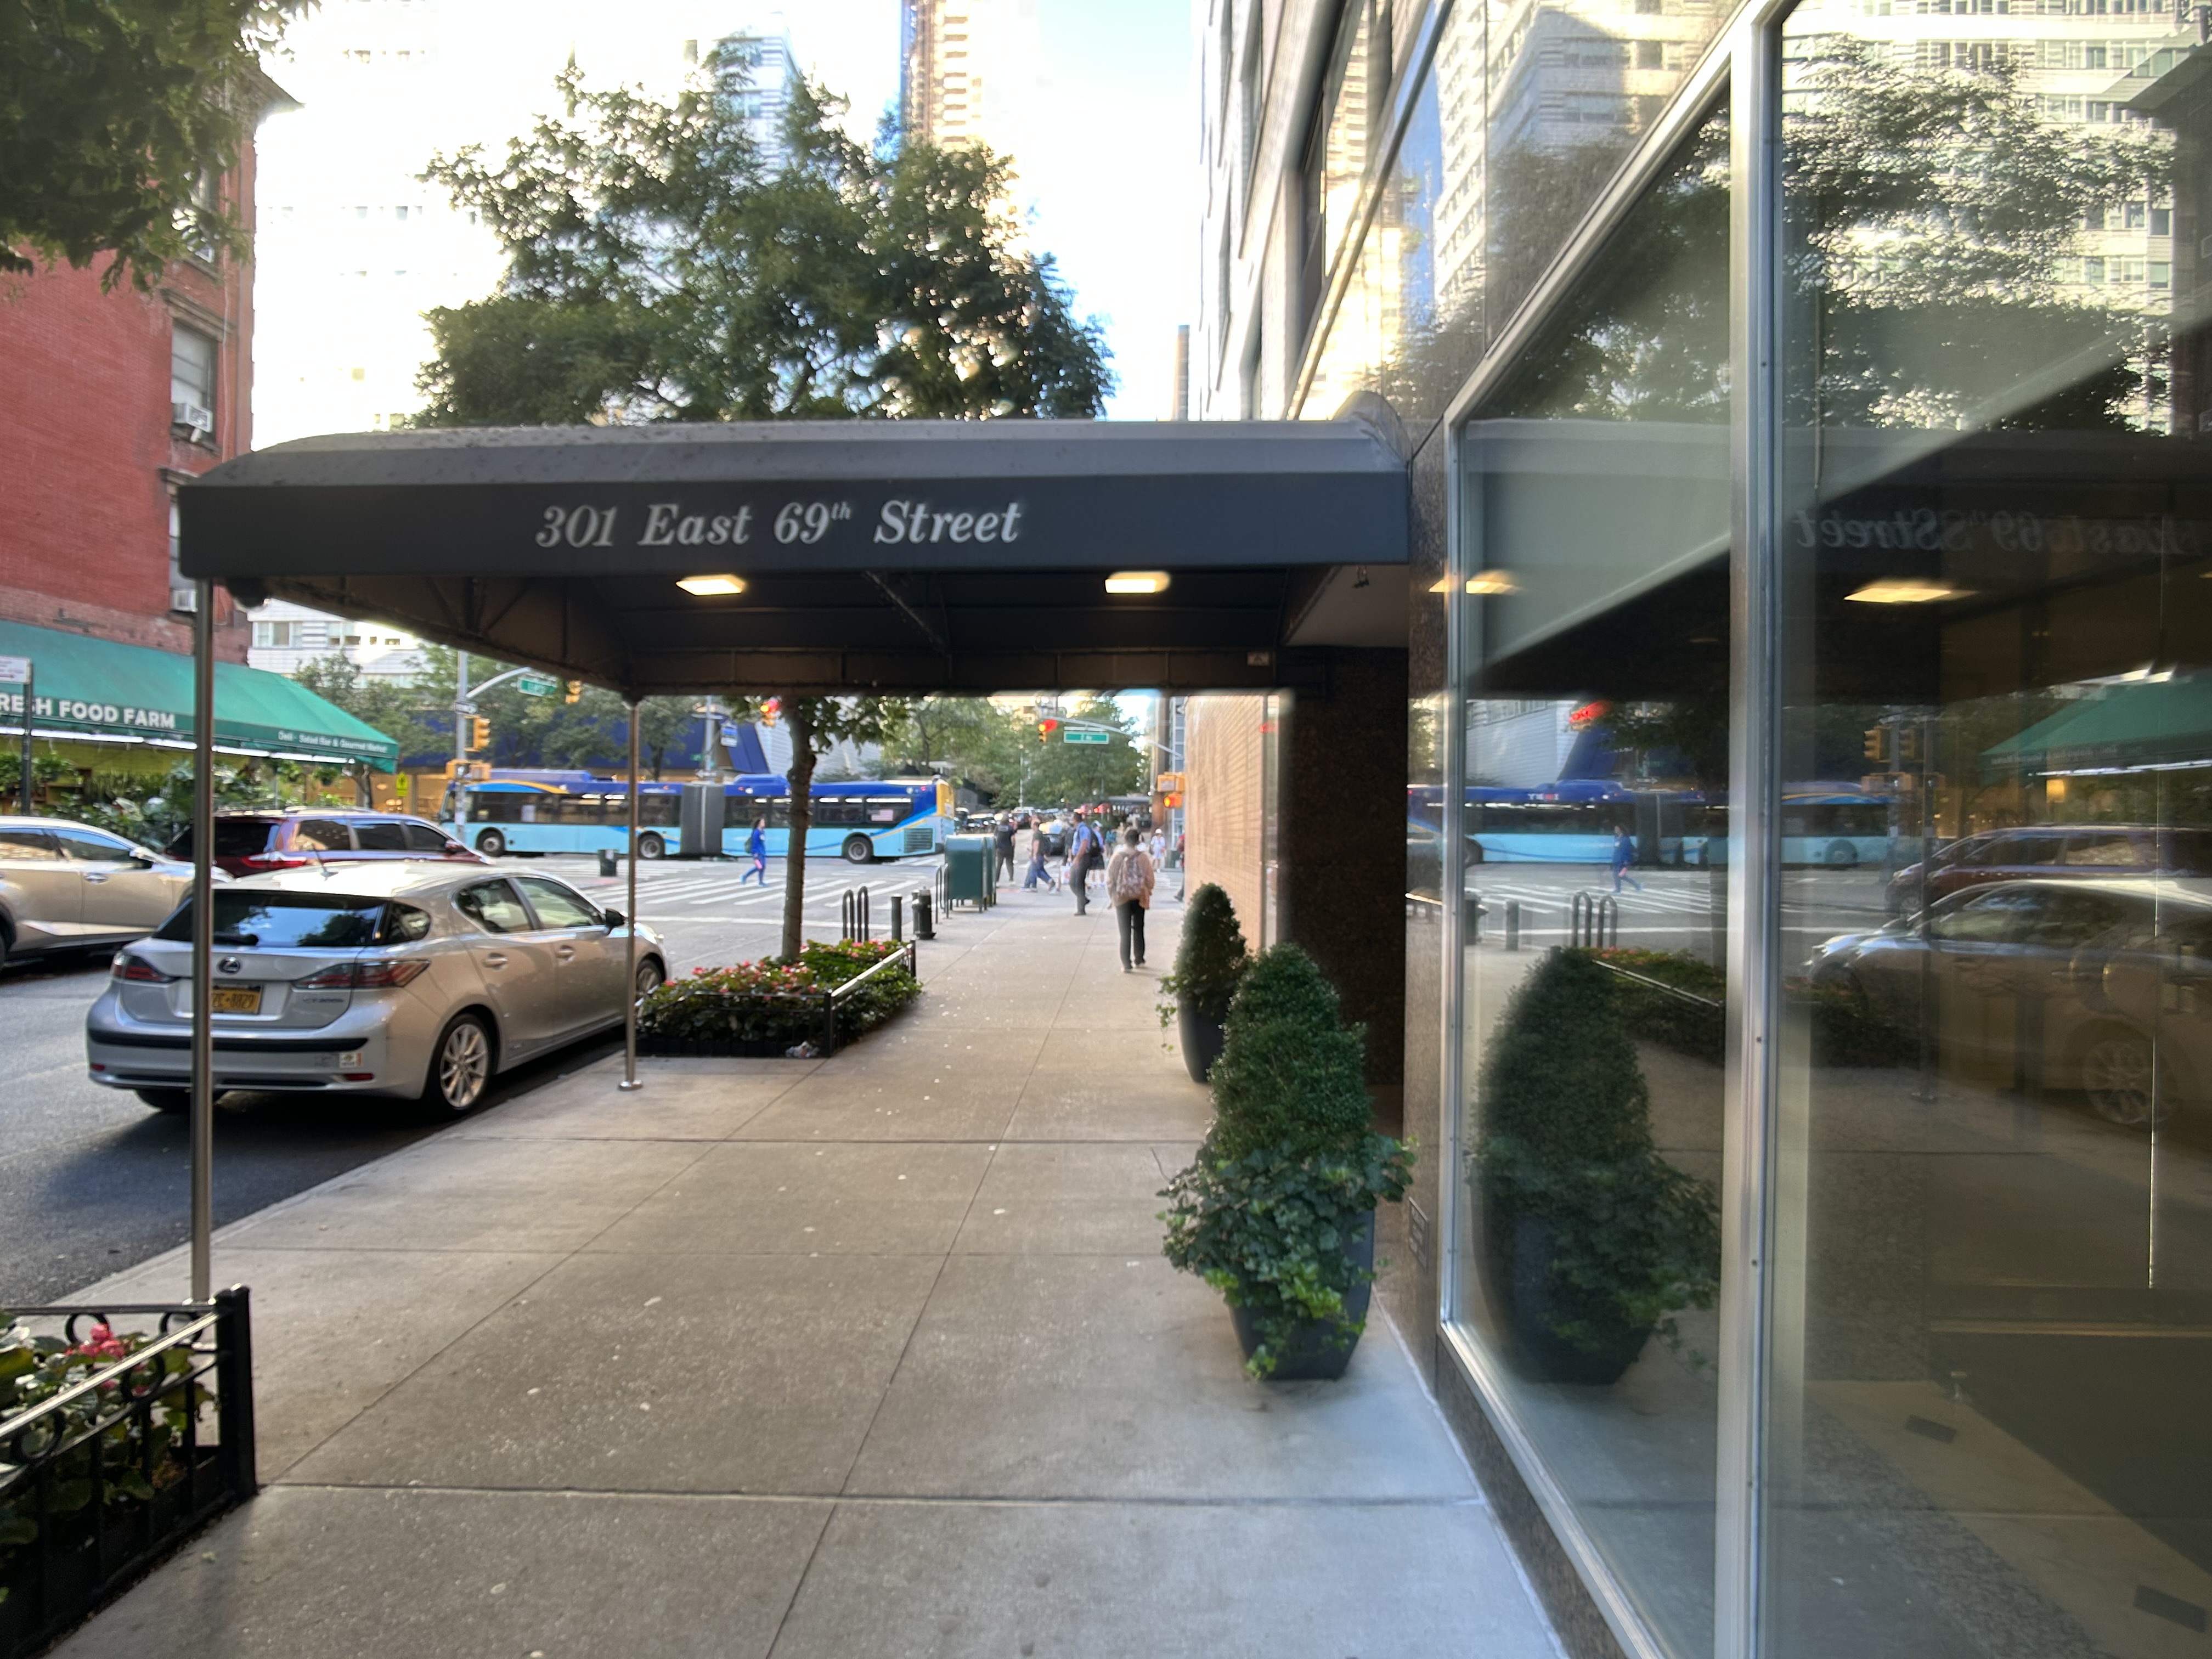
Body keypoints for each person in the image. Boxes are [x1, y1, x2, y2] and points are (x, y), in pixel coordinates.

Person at [1104, 826, 1156, 971]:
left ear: (1125, 839)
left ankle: (1127, 964)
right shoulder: (1144, 857)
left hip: (1122, 898)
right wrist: (1148, 891)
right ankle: (1139, 958)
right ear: (1138, 840)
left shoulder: (1118, 856)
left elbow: (1110, 879)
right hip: (1139, 897)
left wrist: (1112, 895)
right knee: (1139, 928)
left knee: (1124, 931)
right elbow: (1150, 878)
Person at [1067, 816, 1103, 915]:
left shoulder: (1083, 829)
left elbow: (1084, 844)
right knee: (1077, 882)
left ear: (1075, 819)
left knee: (1077, 882)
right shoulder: (1080, 829)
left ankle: (1081, 906)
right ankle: (1082, 902)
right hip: (1081, 857)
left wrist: (1077, 858)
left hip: (1083, 858)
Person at [1609, 825, 1644, 894]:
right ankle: (1637, 885)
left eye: (1617, 829)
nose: (1615, 830)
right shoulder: (1617, 839)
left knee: (1618, 875)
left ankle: (1618, 890)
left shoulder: (1625, 840)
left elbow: (1627, 851)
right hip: (1616, 860)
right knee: (1619, 875)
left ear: (1621, 830)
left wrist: (1626, 861)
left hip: (1622, 860)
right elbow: (1616, 850)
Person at [740, 816, 768, 885]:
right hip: (757, 853)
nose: (764, 823)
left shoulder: (762, 832)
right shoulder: (756, 832)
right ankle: (745, 876)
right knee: (759, 866)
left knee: (763, 867)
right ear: (759, 823)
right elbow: (754, 843)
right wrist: (755, 853)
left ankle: (761, 882)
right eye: (762, 822)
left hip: (762, 852)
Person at [994, 816, 1017, 882]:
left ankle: (997, 881)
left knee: (999, 865)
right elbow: (1013, 839)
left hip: (1000, 849)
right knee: (1010, 864)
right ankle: (1011, 880)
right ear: (1008, 822)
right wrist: (1013, 847)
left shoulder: (998, 828)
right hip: (1009, 849)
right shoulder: (1010, 828)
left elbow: (995, 838)